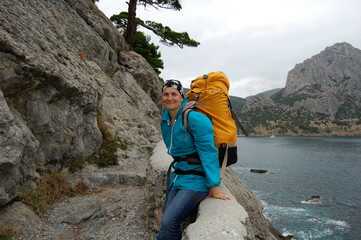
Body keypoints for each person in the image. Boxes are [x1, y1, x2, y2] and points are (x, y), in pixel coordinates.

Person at [157, 79, 230, 240]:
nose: (170, 98)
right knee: (165, 223)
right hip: (178, 176)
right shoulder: (165, 120)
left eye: (174, 94)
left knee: (169, 223)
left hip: (197, 179)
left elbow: (209, 153)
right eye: (166, 94)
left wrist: (214, 186)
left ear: (182, 96)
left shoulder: (195, 118)